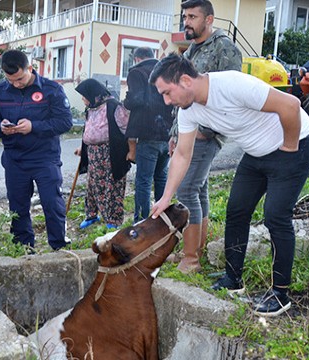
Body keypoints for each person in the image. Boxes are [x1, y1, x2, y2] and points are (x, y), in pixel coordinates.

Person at [150, 54, 309, 317]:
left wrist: (290, 149)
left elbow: (291, 105)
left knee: (275, 217)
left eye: (167, 93)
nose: (166, 101)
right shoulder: (189, 110)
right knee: (236, 210)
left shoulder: (232, 85)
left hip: (292, 144)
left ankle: (280, 293)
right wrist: (166, 197)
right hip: (255, 154)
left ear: (184, 81)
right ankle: (233, 279)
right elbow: (183, 154)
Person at [171, 0, 243, 274]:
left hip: (204, 134)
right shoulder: (192, 50)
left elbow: (231, 95)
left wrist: (207, 132)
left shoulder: (225, 48)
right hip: (188, 131)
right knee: (198, 190)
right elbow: (182, 96)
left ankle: (191, 259)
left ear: (209, 20)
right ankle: (194, 250)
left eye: (192, 16)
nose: (186, 21)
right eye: (184, 16)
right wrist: (174, 133)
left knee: (187, 189)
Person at [0, 49, 72, 250]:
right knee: (18, 208)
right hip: (15, 159)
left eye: (20, 79)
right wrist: (0, 127)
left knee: (52, 203)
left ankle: (59, 247)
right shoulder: (0, 91)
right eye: (11, 80)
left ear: (30, 68)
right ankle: (24, 249)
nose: (16, 84)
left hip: (45, 158)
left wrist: (34, 126)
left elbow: (65, 122)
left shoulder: (52, 90)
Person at [124, 47, 173, 223]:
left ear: (137, 59)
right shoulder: (165, 71)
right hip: (166, 133)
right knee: (161, 178)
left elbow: (136, 99)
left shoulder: (137, 73)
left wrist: (125, 101)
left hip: (147, 132)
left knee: (143, 181)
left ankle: (142, 221)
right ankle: (161, 218)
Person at [74, 78, 131, 230]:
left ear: (93, 94)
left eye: (84, 95)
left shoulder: (114, 106)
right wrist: (83, 148)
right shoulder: (91, 108)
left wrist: (132, 151)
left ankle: (113, 219)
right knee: (93, 185)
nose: (83, 99)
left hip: (111, 152)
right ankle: (92, 215)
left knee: (112, 185)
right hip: (93, 153)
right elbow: (90, 129)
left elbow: (127, 129)